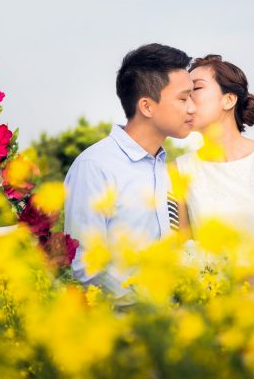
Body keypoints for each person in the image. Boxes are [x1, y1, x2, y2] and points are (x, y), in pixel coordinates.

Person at [63, 43, 196, 305]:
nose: (192, 108)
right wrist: (148, 312)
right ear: (146, 106)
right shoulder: (96, 167)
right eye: (183, 98)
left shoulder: (167, 168)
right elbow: (86, 266)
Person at [174, 55, 254, 293]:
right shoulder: (179, 170)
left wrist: (244, 287)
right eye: (185, 93)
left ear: (229, 99)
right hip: (216, 307)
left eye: (197, 88)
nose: (188, 99)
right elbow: (184, 250)